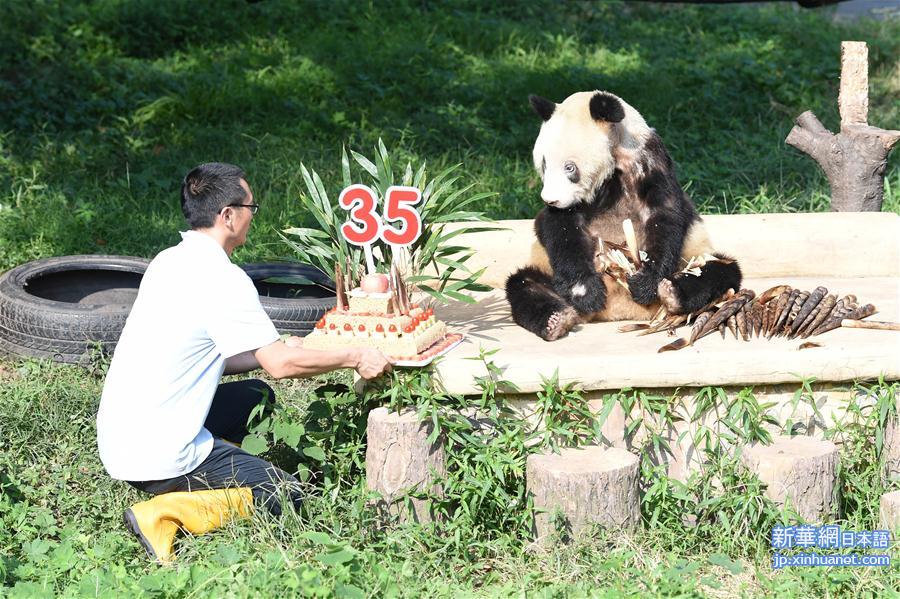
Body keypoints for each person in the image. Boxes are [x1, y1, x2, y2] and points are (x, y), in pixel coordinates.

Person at [96, 162, 392, 563]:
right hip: (161, 454)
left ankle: (220, 471)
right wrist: (356, 355)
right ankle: (164, 512)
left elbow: (220, 355)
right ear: (228, 215)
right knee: (288, 495)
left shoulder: (169, 260)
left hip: (122, 438)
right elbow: (282, 366)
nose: (253, 216)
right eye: (252, 207)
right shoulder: (223, 277)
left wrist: (268, 347)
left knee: (255, 394)